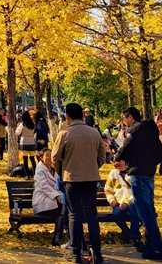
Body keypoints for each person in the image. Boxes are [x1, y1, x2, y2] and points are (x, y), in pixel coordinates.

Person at [52, 103, 106, 264]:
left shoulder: (64, 134)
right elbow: (102, 157)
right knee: (91, 215)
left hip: (71, 179)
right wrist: (91, 168)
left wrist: (63, 171)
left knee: (74, 215)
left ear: (67, 116)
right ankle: (97, 252)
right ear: (83, 115)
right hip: (91, 179)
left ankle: (76, 253)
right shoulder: (94, 133)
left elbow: (55, 158)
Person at [117, 106, 162, 260]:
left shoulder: (135, 130)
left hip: (138, 173)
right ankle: (156, 245)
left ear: (130, 117)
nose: (124, 123)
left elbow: (125, 147)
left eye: (124, 119)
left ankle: (156, 246)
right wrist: (152, 164)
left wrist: (117, 157)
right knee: (149, 209)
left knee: (145, 212)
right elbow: (160, 151)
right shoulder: (150, 129)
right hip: (148, 173)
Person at [34, 148, 66, 246]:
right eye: (47, 155)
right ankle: (58, 237)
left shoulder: (54, 169)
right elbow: (44, 186)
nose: (49, 158)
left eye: (51, 155)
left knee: (65, 210)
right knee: (63, 210)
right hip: (42, 202)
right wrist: (57, 196)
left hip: (54, 202)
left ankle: (59, 237)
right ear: (41, 158)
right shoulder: (39, 170)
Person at [105, 155, 138, 245]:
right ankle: (126, 231)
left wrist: (127, 202)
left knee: (133, 208)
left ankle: (135, 234)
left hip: (131, 202)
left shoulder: (133, 174)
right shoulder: (113, 173)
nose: (115, 163)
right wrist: (111, 200)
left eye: (118, 161)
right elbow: (108, 190)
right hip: (118, 203)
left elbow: (137, 193)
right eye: (114, 161)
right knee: (116, 214)